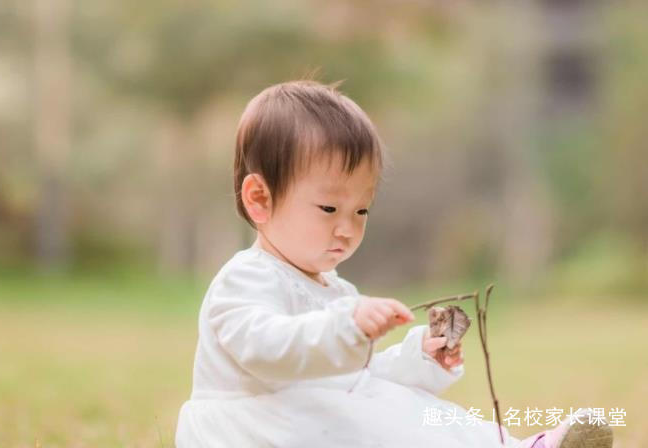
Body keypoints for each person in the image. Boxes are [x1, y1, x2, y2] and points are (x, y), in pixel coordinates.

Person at [175, 80, 613, 448]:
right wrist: (347, 326)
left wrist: (417, 358)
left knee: (415, 411)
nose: (347, 228)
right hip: (260, 429)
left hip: (319, 413)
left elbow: (358, 378)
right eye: (329, 208)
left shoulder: (334, 288)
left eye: (361, 211)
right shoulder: (244, 279)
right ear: (260, 199)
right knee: (371, 417)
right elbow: (269, 350)